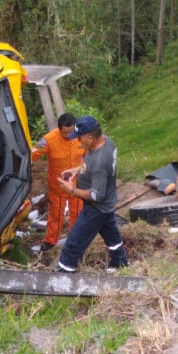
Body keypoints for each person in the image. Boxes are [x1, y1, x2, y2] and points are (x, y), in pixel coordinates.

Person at [56, 116, 129, 271]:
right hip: (108, 203)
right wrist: (77, 170)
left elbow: (97, 195)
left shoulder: (100, 162)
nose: (77, 141)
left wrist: (72, 190)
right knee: (112, 236)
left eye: (79, 138)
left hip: (96, 208)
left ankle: (63, 276)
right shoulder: (106, 142)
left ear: (90, 137)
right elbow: (92, 165)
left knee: (73, 243)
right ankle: (120, 263)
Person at [31, 112, 84, 253]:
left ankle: (76, 239)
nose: (69, 136)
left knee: (78, 213)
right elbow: (33, 154)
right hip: (58, 186)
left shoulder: (81, 136)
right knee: (55, 214)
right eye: (65, 133)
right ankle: (50, 241)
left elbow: (90, 155)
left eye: (71, 132)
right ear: (59, 129)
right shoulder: (49, 140)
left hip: (77, 184)